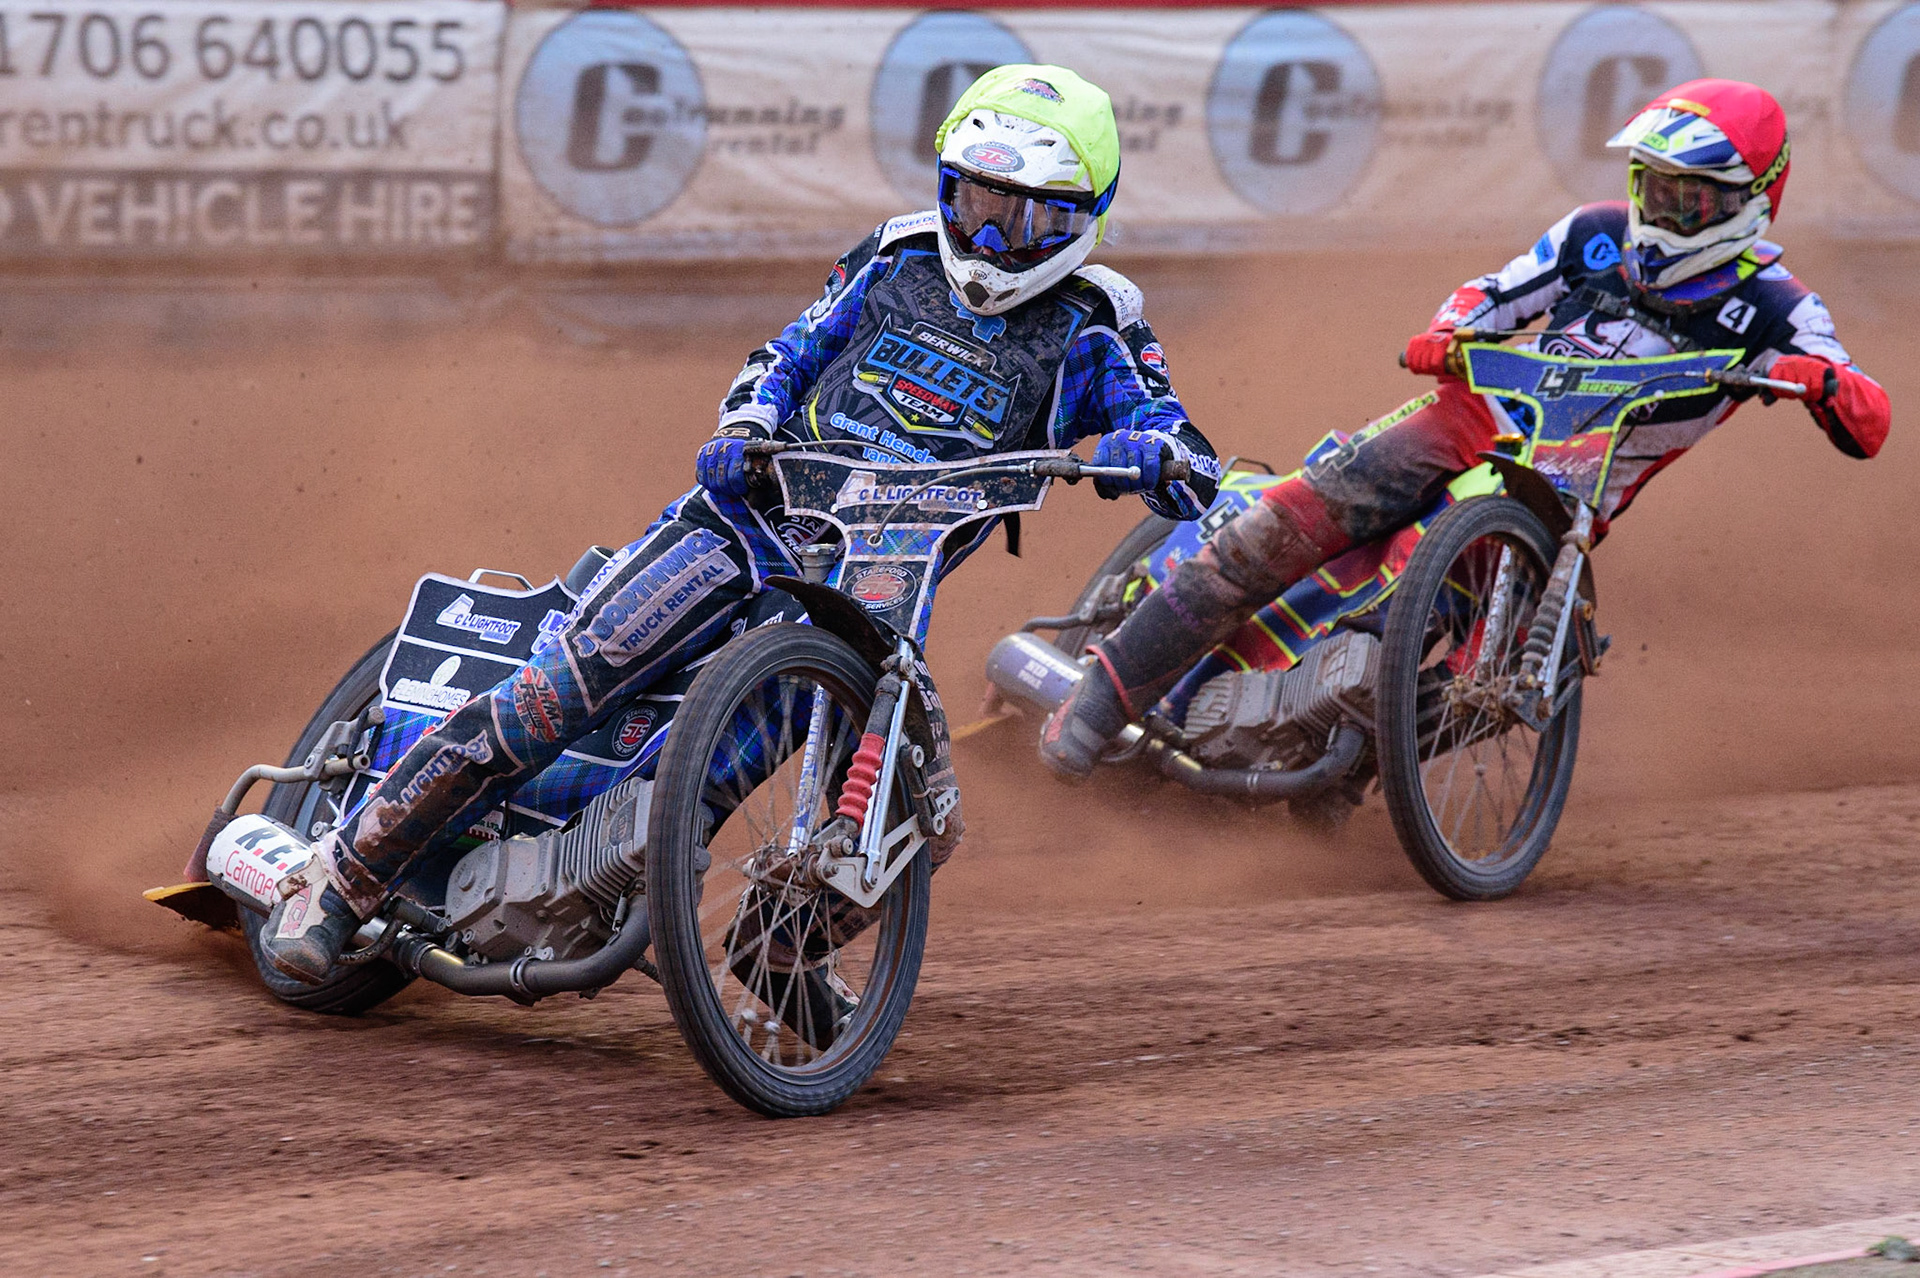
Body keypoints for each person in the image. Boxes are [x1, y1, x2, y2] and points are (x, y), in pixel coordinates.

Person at [262, 64, 1222, 983]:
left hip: (878, 590)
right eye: (976, 204)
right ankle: (337, 882)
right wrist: (746, 421)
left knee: (862, 805)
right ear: (947, 186)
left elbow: (1183, 449)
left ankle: (774, 973)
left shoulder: (1099, 319)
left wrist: (1161, 457)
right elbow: (789, 351)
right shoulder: (893, 257)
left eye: (1026, 219)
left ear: (1081, 218)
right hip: (751, 518)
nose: (992, 238)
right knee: (564, 688)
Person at [1040, 78, 1890, 779]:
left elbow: (1869, 416)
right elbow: (1493, 293)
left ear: (1750, 202)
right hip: (1472, 414)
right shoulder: (1596, 235)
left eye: (1690, 196)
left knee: (1515, 658)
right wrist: (1448, 333)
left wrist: (1820, 382)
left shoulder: (1778, 305)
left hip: (1562, 490)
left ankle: (1342, 759)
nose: (1664, 210)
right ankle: (1099, 703)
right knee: (1295, 518)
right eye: (1655, 186)